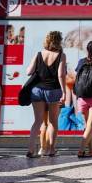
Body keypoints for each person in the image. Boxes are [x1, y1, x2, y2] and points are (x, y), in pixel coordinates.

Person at [26, 30, 69, 158]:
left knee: (37, 121)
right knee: (53, 121)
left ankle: (31, 150)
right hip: (53, 91)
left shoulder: (39, 54)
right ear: (59, 41)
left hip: (37, 90)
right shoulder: (61, 55)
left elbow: (29, 71)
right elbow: (61, 74)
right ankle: (51, 149)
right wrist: (64, 92)